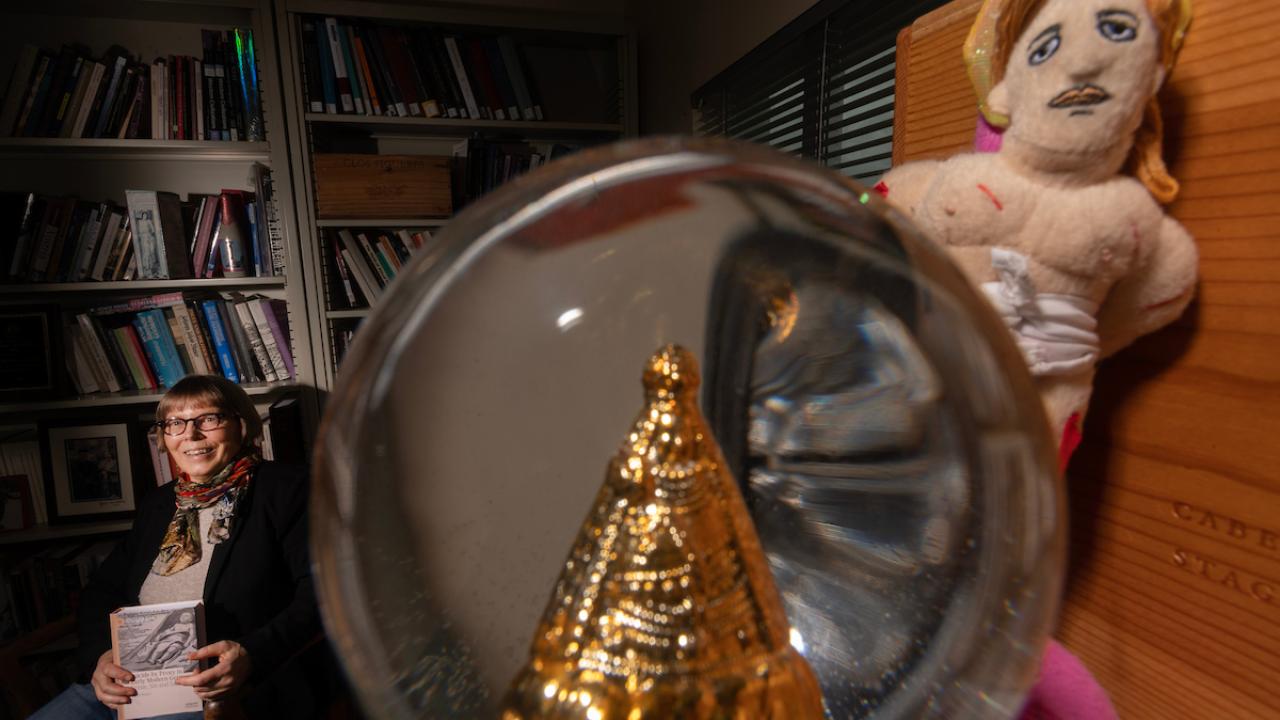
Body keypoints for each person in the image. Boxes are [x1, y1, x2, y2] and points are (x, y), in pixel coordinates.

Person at [879, 0, 1196, 462]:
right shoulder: (959, 177)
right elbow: (881, 205)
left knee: (1014, 505)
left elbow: (1160, 292)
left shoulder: (1133, 215)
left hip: (1049, 395)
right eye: (1046, 47)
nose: (1085, 62)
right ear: (1005, 92)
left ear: (1150, 80)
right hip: (931, 367)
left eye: (1116, 31)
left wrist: (1068, 340)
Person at [32, 375, 330, 719]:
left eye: (209, 419)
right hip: (132, 683)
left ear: (242, 425)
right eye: (175, 423)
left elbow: (322, 593)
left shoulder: (288, 491)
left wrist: (251, 655)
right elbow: (102, 589)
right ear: (164, 437)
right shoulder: (159, 504)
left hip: (220, 689)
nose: (191, 434)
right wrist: (100, 658)